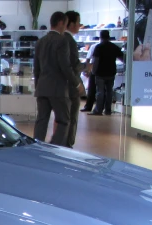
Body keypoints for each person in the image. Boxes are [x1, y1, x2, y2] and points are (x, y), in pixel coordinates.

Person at [33, 11, 79, 145]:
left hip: (42, 87)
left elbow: (37, 69)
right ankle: (55, 146)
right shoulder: (62, 41)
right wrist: (76, 83)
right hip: (57, 88)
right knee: (64, 120)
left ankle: (37, 146)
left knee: (41, 120)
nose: (65, 28)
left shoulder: (40, 42)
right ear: (60, 23)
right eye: (65, 24)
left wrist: (38, 87)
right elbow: (65, 66)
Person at [89, 30, 123, 116]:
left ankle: (98, 110)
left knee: (100, 92)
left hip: (100, 73)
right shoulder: (114, 47)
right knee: (109, 92)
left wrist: (93, 71)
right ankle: (108, 110)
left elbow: (96, 60)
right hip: (111, 72)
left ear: (100, 37)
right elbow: (122, 58)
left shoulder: (98, 47)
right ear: (108, 37)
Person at [64, 11, 83, 148]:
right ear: (70, 24)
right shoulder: (70, 41)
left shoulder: (58, 39)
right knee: (71, 118)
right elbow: (72, 66)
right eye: (78, 23)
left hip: (60, 87)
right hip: (70, 87)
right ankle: (68, 145)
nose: (79, 26)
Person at [80, 37, 100, 112]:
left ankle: (88, 106)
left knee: (92, 89)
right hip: (105, 71)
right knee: (104, 90)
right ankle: (104, 108)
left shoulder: (94, 46)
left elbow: (88, 59)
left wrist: (86, 70)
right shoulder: (111, 46)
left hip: (94, 69)